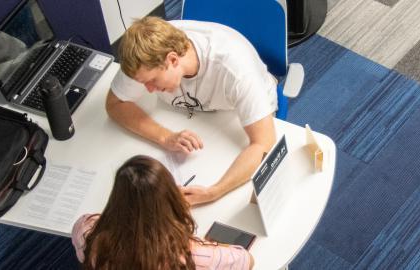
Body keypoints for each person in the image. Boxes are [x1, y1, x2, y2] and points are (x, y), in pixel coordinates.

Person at [106, 16, 277, 206]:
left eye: (153, 80)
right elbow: (115, 104)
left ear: (172, 59)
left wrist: (214, 192)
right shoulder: (143, 53)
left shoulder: (236, 70)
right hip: (188, 114)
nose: (148, 89)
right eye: (143, 82)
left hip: (236, 114)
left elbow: (263, 143)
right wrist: (165, 137)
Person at [71, 155, 254, 269]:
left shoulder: (85, 229)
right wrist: (174, 211)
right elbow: (246, 260)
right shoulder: (195, 257)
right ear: (171, 197)